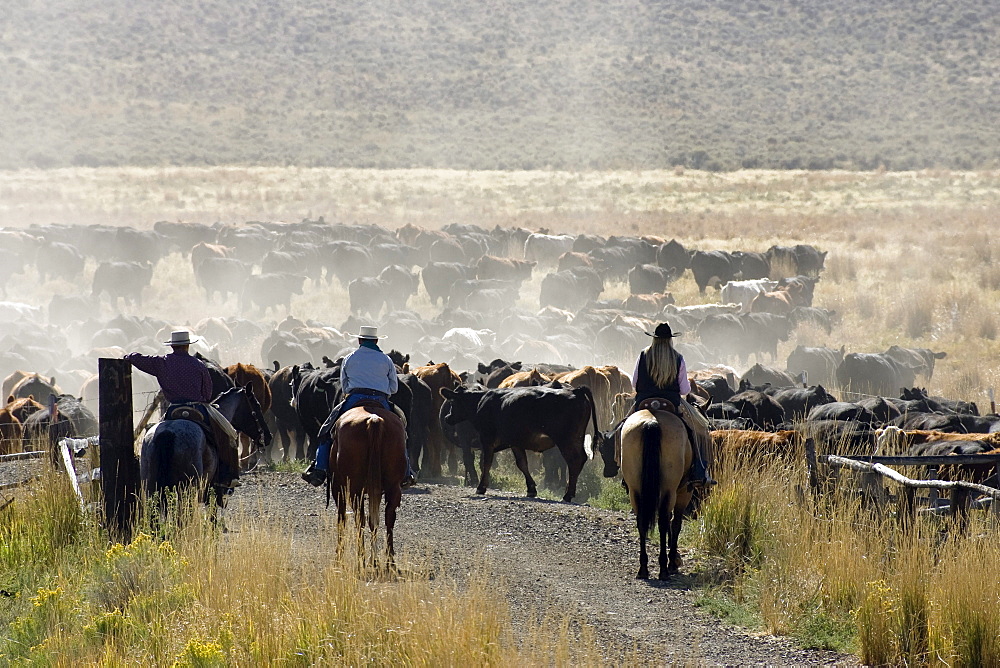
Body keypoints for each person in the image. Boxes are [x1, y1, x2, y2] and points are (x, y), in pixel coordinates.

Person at [125, 330, 242, 489]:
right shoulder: (199, 365)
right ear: (187, 346)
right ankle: (226, 479)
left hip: (172, 410)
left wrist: (129, 356)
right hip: (198, 408)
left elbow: (139, 359)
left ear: (172, 346)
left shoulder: (162, 363)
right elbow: (207, 394)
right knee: (228, 434)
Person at [301, 326, 416, 488]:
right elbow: (394, 388)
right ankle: (406, 472)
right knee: (401, 432)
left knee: (326, 431)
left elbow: (345, 385)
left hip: (354, 398)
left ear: (359, 340)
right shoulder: (386, 360)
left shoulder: (349, 358)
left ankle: (319, 469)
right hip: (381, 400)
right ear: (376, 341)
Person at [631, 321, 716, 487]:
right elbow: (684, 389)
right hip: (671, 403)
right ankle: (700, 472)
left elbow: (635, 384)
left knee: (620, 427)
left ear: (654, 339)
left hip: (643, 402)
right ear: (670, 339)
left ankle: (618, 465)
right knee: (701, 429)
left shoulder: (643, 355)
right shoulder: (678, 358)